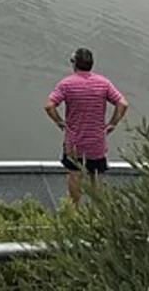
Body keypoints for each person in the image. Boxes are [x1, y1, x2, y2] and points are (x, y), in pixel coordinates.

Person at [44, 47, 129, 205]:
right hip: (96, 140)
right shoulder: (103, 83)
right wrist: (112, 124)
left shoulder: (66, 84)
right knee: (95, 175)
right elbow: (122, 104)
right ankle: (97, 210)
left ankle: (75, 208)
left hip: (74, 141)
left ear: (75, 64)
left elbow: (49, 106)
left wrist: (60, 122)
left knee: (75, 173)